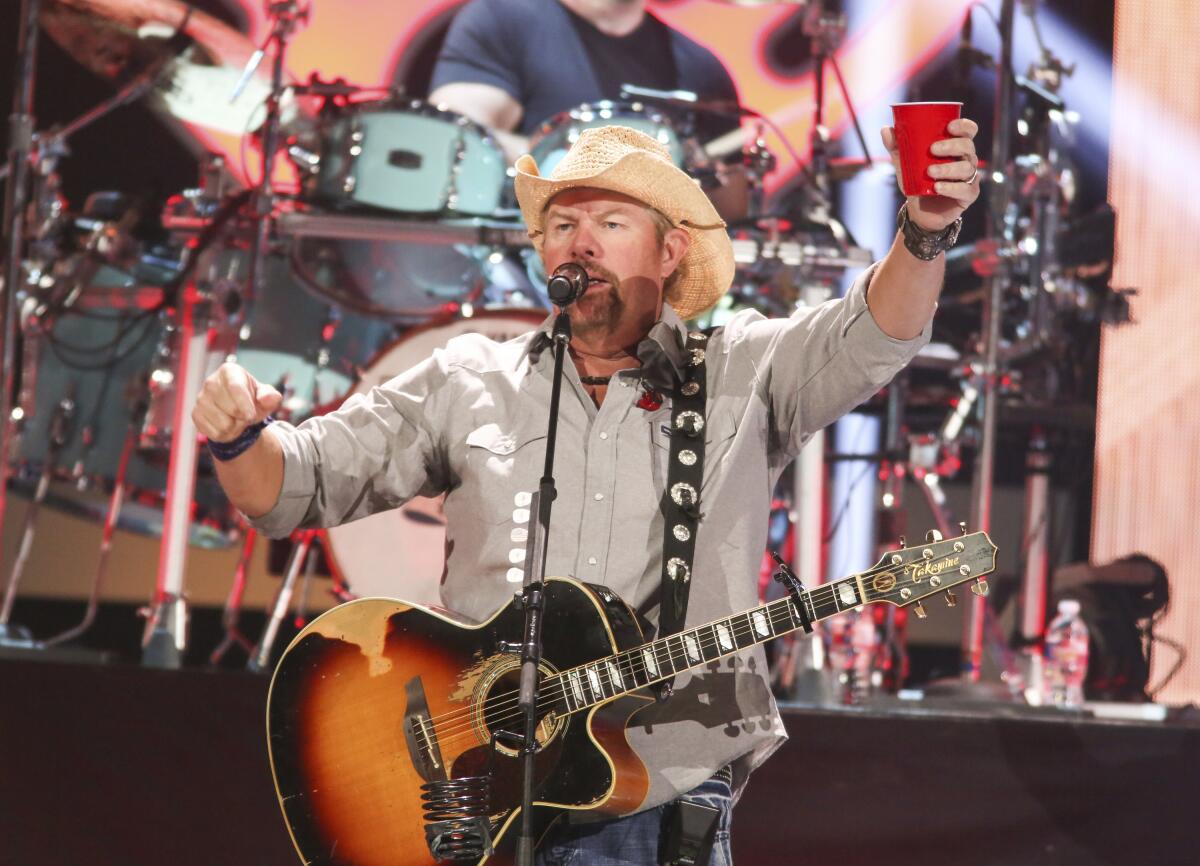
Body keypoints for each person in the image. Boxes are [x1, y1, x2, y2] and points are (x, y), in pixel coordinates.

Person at [193, 119, 981, 864]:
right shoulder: (470, 380)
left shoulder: (746, 371)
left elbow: (874, 333)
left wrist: (926, 229)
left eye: (610, 221)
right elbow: (294, 486)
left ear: (670, 251)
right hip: (469, 800)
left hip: (652, 798)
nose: (581, 241)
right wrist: (236, 437)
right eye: (564, 223)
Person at [426, 0, 747, 216]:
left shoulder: (702, 69)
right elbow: (451, 136)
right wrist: (568, 165)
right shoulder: (503, 17)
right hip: (527, 266)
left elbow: (731, 209)